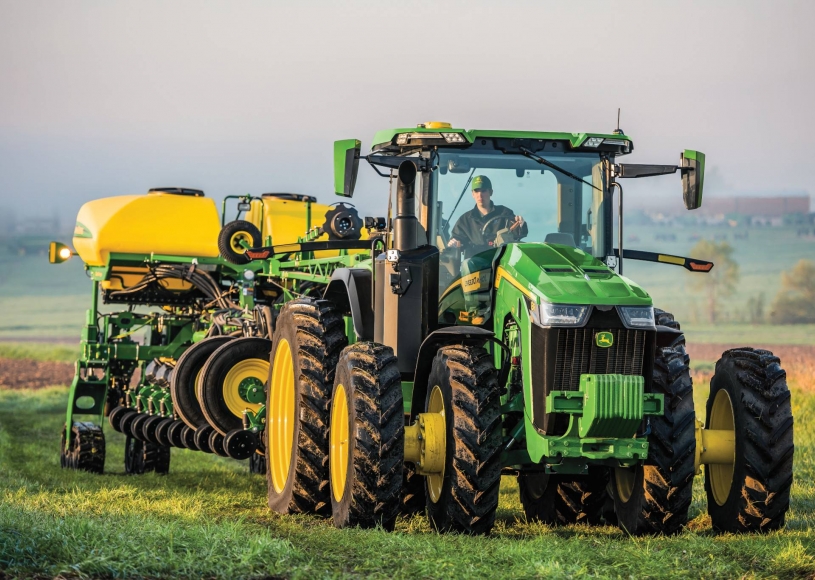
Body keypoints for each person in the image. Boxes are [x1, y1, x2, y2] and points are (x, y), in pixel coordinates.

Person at [447, 175, 527, 252]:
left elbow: (518, 233)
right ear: (473, 194)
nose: (480, 195)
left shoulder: (505, 214)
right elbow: (456, 239)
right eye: (476, 191)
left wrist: (520, 224)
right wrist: (454, 243)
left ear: (491, 192)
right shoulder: (465, 220)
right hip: (474, 262)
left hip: (500, 261)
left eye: (483, 191)